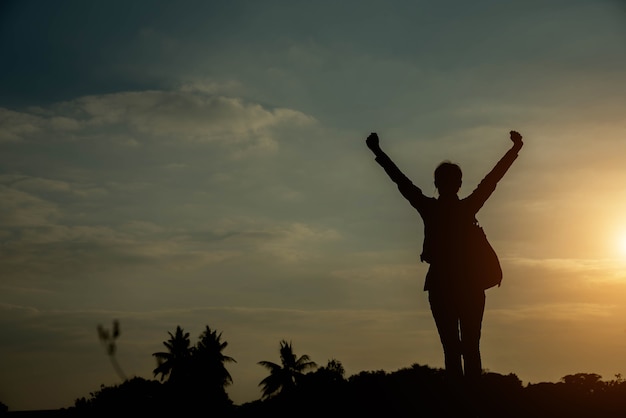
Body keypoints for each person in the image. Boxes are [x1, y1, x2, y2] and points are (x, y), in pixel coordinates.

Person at [365, 130, 523, 386]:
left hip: (442, 286)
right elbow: (492, 180)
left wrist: (378, 152)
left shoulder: (430, 209)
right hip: (468, 287)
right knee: (471, 348)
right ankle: (471, 403)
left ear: (436, 184)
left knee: (453, 349)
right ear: (458, 184)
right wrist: (515, 149)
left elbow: (401, 182)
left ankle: (458, 404)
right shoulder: (466, 208)